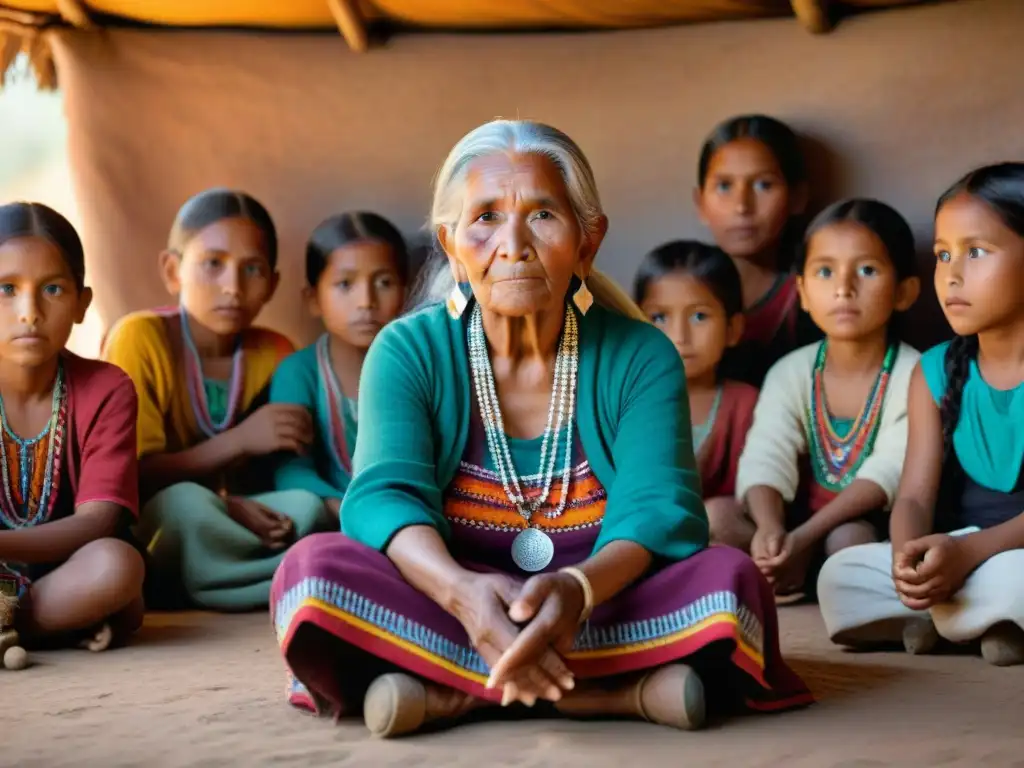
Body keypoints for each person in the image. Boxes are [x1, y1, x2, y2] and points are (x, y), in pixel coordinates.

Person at [271, 119, 811, 738]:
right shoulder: (407, 350)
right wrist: (462, 595)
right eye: (486, 218)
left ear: (588, 241)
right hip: (447, 595)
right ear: (450, 244)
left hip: (602, 599)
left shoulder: (640, 355)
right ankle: (613, 695)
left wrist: (577, 591)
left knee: (730, 584)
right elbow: (383, 498)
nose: (514, 243)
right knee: (311, 576)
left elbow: (658, 511)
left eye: (543, 216)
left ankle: (455, 692)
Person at [818, 163, 1024, 666]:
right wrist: (907, 561)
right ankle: (969, 619)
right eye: (942, 254)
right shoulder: (934, 371)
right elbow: (912, 495)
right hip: (960, 553)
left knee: (1014, 579)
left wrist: (972, 556)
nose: (952, 274)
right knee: (839, 578)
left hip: (1000, 556)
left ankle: (952, 619)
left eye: (976, 252)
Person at [102, 189, 329, 612]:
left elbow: (273, 472)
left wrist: (239, 507)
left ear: (272, 284)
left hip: (237, 515)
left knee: (306, 507)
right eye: (213, 264)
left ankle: (228, 578)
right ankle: (288, 581)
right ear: (173, 271)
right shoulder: (140, 338)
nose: (233, 286)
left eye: (253, 269)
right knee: (185, 505)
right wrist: (239, 442)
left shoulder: (276, 351)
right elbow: (130, 477)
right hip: (163, 513)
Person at [735, 199, 921, 602]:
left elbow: (889, 471)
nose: (843, 288)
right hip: (792, 526)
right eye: (824, 271)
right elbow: (767, 454)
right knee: (717, 517)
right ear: (801, 291)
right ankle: (777, 573)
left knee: (849, 541)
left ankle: (825, 584)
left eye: (867, 270)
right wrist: (771, 530)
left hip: (859, 529)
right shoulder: (791, 371)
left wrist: (805, 538)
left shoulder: (916, 374)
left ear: (904, 292)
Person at [269, 211, 409, 710]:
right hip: (325, 519)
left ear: (408, 290)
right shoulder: (299, 372)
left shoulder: (422, 365)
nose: (366, 301)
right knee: (299, 509)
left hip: (404, 524)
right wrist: (347, 509)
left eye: (384, 282)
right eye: (345, 284)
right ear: (312, 298)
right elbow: (291, 470)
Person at [0, 202, 144, 650]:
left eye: (53, 290)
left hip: (61, 569)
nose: (30, 312)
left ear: (82, 304)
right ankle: (46, 625)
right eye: (6, 288)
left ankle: (11, 622)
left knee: (118, 567)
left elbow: (99, 521)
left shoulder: (106, 388)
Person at [634, 241, 757, 548]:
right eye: (659, 318)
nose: (679, 336)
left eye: (699, 316)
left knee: (718, 515)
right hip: (641, 537)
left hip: (716, 536)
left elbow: (756, 494)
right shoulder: (630, 401)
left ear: (733, 329)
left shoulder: (746, 404)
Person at [694, 114, 821, 386]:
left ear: (797, 197)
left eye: (764, 184)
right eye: (724, 186)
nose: (742, 206)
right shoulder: (674, 294)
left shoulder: (816, 297)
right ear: (700, 202)